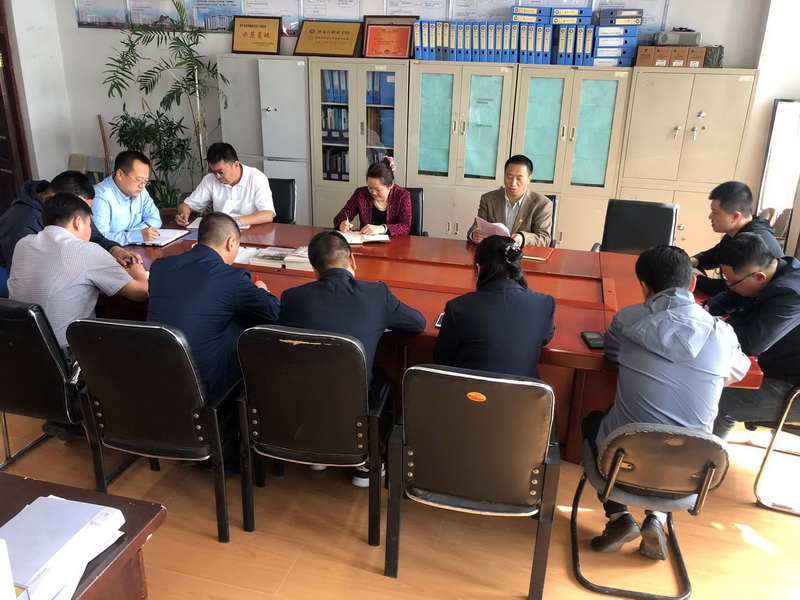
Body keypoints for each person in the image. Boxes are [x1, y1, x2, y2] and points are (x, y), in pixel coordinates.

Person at [585, 245, 749, 561]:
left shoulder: (627, 319)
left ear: (644, 286)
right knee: (675, 439)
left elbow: (613, 356)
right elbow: (737, 371)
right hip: (693, 472)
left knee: (594, 420)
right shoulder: (722, 332)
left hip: (622, 465)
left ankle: (619, 516)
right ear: (692, 283)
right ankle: (657, 520)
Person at [279, 230, 425, 485]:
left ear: (314, 270)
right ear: (352, 260)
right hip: (356, 406)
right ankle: (366, 464)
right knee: (383, 378)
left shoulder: (292, 298)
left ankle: (318, 450)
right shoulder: (377, 294)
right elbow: (417, 323)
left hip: (305, 403)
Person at [147, 211, 280, 400]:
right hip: (207, 388)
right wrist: (261, 292)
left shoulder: (160, 266)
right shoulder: (232, 278)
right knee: (247, 322)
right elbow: (274, 314)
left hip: (157, 379)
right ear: (231, 243)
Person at [703, 233, 800, 439]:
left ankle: (705, 457)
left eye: (732, 281)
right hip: (777, 367)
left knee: (716, 400)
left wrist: (723, 322)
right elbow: (732, 295)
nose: (730, 286)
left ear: (759, 277)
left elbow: (751, 342)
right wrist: (707, 309)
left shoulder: (791, 294)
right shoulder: (774, 271)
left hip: (793, 386)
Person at [0, 171, 140, 297]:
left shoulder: (72, 208)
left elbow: (94, 236)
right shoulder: (22, 222)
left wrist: (113, 249)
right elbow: (31, 274)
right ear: (57, 200)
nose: (84, 216)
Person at [434, 235, 555, 378]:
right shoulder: (544, 304)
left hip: (470, 392)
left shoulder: (458, 308)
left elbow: (442, 359)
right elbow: (544, 338)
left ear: (478, 268)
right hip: (523, 392)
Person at [692, 181, 783, 296]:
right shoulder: (735, 233)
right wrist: (690, 261)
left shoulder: (753, 242)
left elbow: (731, 288)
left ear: (735, 216)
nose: (710, 216)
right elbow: (713, 255)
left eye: (715, 212)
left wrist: (693, 277)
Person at [175, 143, 275, 227]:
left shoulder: (256, 178)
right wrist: (184, 214)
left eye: (221, 172)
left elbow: (267, 214)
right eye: (214, 172)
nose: (217, 176)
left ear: (235, 165)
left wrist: (234, 221)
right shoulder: (210, 179)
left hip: (253, 233)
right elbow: (187, 205)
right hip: (221, 234)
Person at [466, 155, 553, 247]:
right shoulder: (488, 199)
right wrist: (474, 235)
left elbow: (544, 238)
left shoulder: (542, 204)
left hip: (523, 253)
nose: (513, 183)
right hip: (495, 252)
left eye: (519, 178)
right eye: (509, 177)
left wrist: (523, 238)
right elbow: (476, 227)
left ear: (529, 179)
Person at [92, 150, 162, 245]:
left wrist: (133, 232)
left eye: (146, 181)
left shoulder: (140, 191)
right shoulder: (101, 198)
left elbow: (155, 219)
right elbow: (99, 238)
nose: (142, 186)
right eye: (138, 180)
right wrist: (135, 235)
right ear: (120, 174)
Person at [333, 156, 412, 237]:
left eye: (378, 189)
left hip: (394, 242)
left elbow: (405, 226)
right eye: (370, 187)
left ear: (390, 185)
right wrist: (342, 224)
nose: (373, 192)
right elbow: (340, 217)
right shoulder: (361, 193)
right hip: (366, 241)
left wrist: (382, 228)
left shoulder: (402, 196)